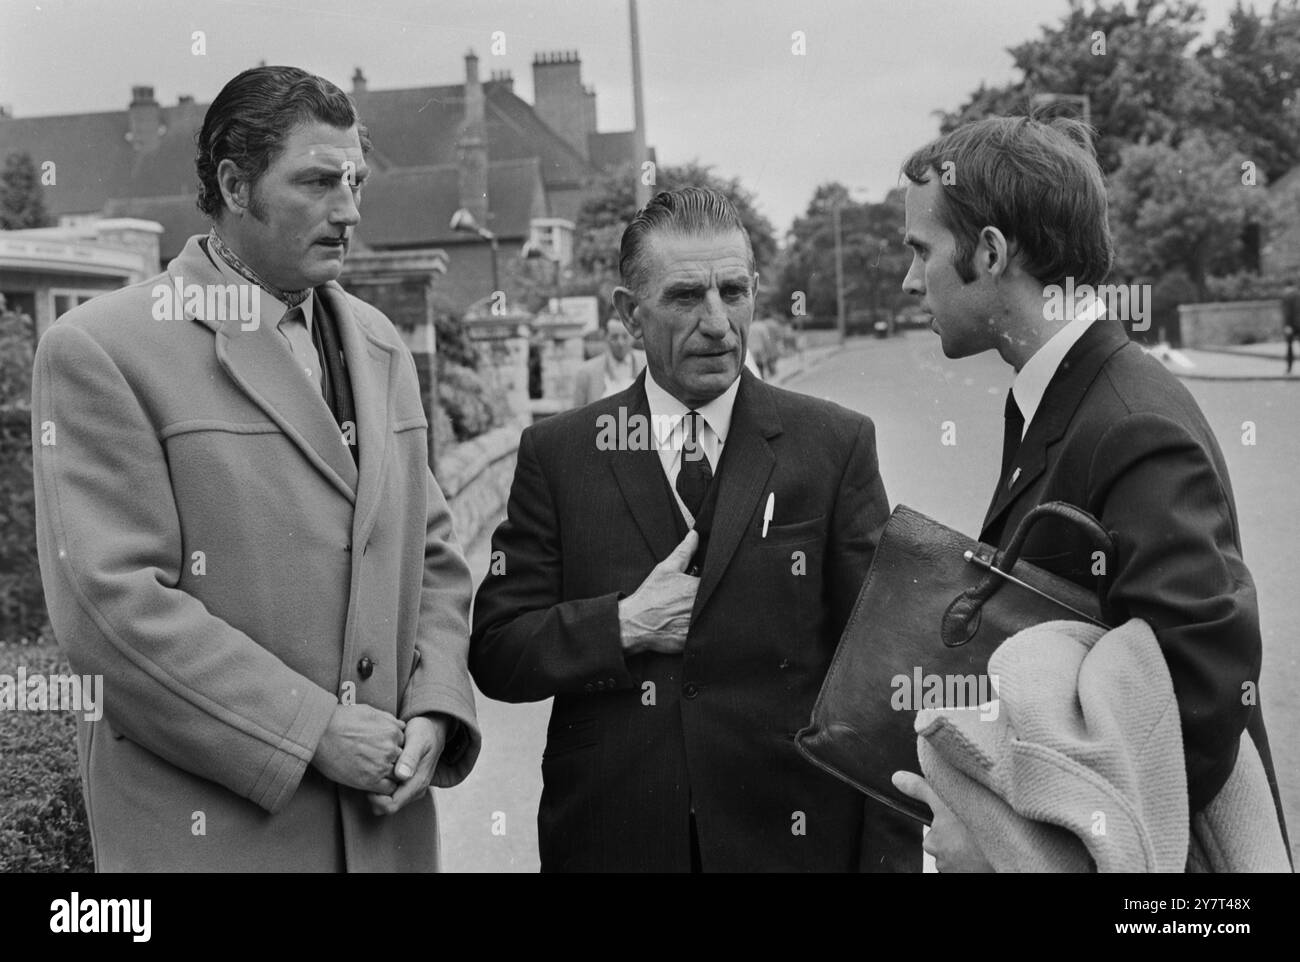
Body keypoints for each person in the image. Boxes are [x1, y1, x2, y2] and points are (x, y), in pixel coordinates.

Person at [30, 66, 480, 872]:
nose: (349, 211)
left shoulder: (379, 345)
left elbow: (435, 559)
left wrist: (437, 707)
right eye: (316, 182)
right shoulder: (101, 350)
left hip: (386, 834)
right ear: (235, 185)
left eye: (355, 181)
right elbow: (110, 610)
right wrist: (312, 731)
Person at [470, 187, 920, 871]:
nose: (717, 323)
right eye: (685, 297)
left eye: (733, 293)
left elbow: (881, 680)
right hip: (613, 842)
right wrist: (622, 624)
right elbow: (498, 649)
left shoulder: (831, 445)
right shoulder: (560, 456)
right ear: (629, 314)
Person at [892, 115, 1287, 871]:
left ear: (991, 251)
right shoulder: (1062, 394)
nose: (911, 279)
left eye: (920, 249)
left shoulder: (1130, 423)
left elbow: (1201, 702)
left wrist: (1011, 844)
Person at [569, 317, 645, 407]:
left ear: (633, 337)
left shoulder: (648, 365)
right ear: (605, 337)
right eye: (614, 337)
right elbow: (577, 414)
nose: (620, 343)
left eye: (625, 337)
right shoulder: (587, 372)